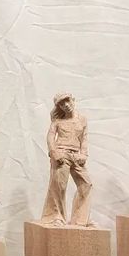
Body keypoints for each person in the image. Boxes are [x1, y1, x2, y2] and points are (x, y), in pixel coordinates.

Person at [40, 93, 93, 226]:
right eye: (62, 104)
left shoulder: (82, 119)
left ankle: (80, 219)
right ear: (59, 107)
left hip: (76, 156)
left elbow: (84, 138)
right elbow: (50, 137)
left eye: (67, 101)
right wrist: (54, 153)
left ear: (73, 100)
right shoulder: (57, 121)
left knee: (86, 184)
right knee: (59, 186)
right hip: (61, 154)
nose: (66, 105)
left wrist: (84, 154)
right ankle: (56, 216)